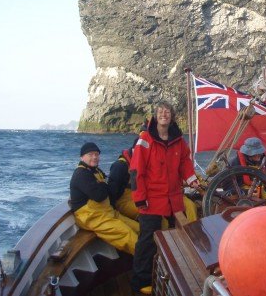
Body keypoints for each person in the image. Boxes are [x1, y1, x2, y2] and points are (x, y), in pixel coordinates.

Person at [129, 102, 199, 295]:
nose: (164, 114)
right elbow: (136, 171)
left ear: (172, 116)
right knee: (146, 243)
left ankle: (171, 277)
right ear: (155, 116)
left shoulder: (178, 141)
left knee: (175, 240)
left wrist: (191, 178)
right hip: (151, 201)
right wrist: (140, 199)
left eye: (167, 112)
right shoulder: (145, 139)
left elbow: (185, 162)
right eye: (160, 111)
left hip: (174, 200)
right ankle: (140, 283)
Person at [69, 142, 139, 255]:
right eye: (90, 154)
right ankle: (147, 262)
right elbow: (99, 195)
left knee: (139, 228)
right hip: (91, 217)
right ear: (82, 157)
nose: (95, 157)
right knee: (127, 235)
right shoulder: (81, 174)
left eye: (97, 154)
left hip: (106, 212)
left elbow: (107, 189)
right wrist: (103, 185)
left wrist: (102, 186)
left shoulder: (96, 171)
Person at [107, 140, 198, 225]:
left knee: (190, 206)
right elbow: (112, 191)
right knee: (158, 217)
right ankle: (163, 238)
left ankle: (192, 231)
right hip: (127, 200)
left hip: (158, 194)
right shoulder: (120, 166)